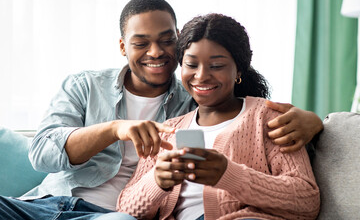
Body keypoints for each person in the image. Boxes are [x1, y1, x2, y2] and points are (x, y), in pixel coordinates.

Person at [0, 0, 321, 220]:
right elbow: (42, 153)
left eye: (166, 40)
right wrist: (116, 129)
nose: (155, 52)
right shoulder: (87, 86)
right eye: (141, 43)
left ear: (178, 40)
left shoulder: (201, 104)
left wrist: (319, 123)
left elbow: (302, 194)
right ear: (123, 46)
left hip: (111, 217)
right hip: (48, 204)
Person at [116, 13, 320, 220]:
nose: (202, 75)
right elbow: (124, 211)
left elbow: (306, 200)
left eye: (216, 66)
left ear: (238, 69)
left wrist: (230, 176)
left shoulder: (267, 118)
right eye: (192, 65)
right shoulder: (168, 130)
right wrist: (156, 181)